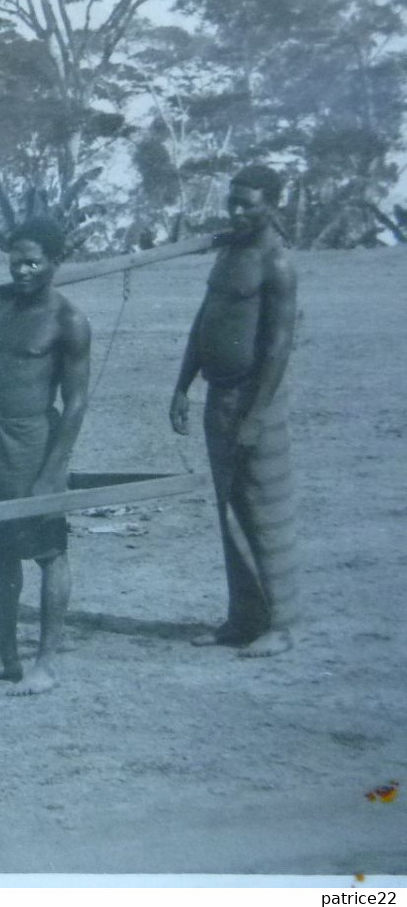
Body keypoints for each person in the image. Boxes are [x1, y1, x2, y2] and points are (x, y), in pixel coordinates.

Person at [0, 218, 91, 696]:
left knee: (49, 552)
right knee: (1, 551)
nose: (24, 271)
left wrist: (53, 472)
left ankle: (45, 664)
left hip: (36, 444)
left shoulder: (68, 320)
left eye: (34, 262)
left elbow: (75, 403)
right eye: (16, 262)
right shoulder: (6, 307)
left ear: (54, 263)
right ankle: (5, 656)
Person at [171, 165, 299, 658]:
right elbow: (204, 322)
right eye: (233, 203)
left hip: (254, 400)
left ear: (272, 204)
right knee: (229, 509)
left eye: (249, 203)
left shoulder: (277, 264)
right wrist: (182, 386)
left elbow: (278, 347)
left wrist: (256, 415)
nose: (239, 211)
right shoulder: (227, 254)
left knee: (264, 510)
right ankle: (243, 619)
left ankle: (283, 625)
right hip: (217, 395)